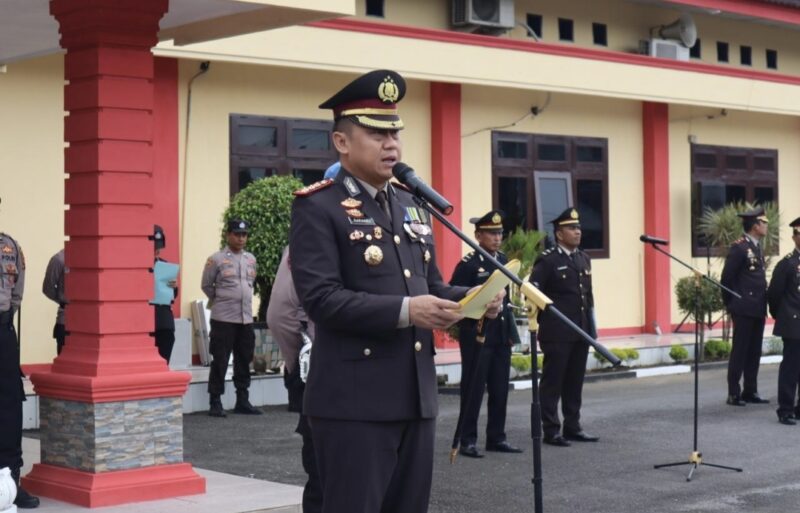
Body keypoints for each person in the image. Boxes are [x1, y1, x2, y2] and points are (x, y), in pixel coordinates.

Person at [289, 69, 503, 513]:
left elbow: (433, 287)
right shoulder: (318, 206)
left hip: (415, 397)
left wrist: (475, 298)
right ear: (342, 143)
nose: (392, 145)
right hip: (355, 405)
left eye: (395, 133)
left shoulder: (410, 204)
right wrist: (409, 310)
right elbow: (321, 300)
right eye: (376, 133)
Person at [450, 210, 522, 458]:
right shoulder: (469, 263)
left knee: (500, 388)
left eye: (500, 233)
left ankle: (497, 437)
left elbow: (507, 301)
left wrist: (510, 332)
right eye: (492, 233)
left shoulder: (503, 259)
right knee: (473, 389)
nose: (497, 237)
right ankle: (466, 439)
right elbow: (455, 295)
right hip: (476, 334)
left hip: (500, 334)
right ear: (478, 235)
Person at [529, 207, 599, 447]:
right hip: (557, 333)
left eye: (578, 227)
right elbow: (532, 291)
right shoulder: (548, 259)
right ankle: (551, 429)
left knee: (574, 382)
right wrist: (542, 321)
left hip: (580, 331)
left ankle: (573, 426)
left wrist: (592, 330)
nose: (577, 232)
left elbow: (588, 297)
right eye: (572, 228)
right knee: (553, 382)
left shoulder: (583, 258)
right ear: (559, 234)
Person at [267, 247, 322, 513]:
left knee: (323, 473)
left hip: (319, 369)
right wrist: (301, 361)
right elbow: (281, 317)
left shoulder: (310, 238)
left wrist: (300, 364)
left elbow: (280, 316)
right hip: (322, 370)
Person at [201, 219, 261, 417]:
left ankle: (242, 400)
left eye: (244, 235)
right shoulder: (216, 259)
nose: (241, 238)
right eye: (237, 234)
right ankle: (215, 401)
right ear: (229, 235)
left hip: (245, 319)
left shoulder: (250, 259)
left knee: (244, 359)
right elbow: (207, 286)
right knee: (220, 359)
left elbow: (250, 284)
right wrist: (223, 300)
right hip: (224, 319)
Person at [0, 216, 40, 508]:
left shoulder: (9, 245)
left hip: (2, 330)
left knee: (10, 405)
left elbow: (17, 292)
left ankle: (10, 483)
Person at [721, 207, 769, 406]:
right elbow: (726, 279)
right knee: (740, 351)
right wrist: (731, 304)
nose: (767, 226)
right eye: (764, 223)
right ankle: (734, 393)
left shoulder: (756, 246)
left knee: (754, 351)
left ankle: (751, 390)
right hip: (742, 308)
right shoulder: (739, 248)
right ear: (755, 226)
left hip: (757, 307)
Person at [767, 217, 800, 425]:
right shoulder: (787, 264)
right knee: (790, 367)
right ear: (795, 237)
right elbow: (774, 294)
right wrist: (782, 316)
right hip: (793, 322)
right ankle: (786, 409)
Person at [150, 225, 178, 363]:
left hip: (164, 321)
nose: (157, 251)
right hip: (145, 321)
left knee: (164, 357)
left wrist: (174, 287)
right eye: (154, 247)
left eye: (158, 247)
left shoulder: (164, 265)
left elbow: (172, 296)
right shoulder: (135, 267)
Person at [42, 248, 67, 355]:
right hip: (66, 319)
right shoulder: (59, 259)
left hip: (88, 322)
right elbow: (48, 288)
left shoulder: (90, 258)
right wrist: (63, 301)